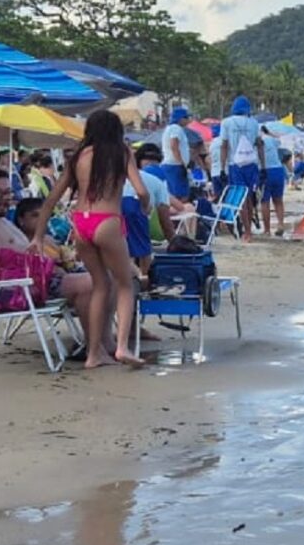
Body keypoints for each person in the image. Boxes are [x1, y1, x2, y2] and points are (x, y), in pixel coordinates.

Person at [30, 109, 150, 369]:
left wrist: (39, 236)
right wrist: (144, 207)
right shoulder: (122, 152)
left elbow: (51, 199)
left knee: (100, 285)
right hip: (107, 220)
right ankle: (121, 347)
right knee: (126, 283)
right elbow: (141, 190)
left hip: (81, 222)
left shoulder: (79, 157)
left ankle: (94, 354)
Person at [0, 168, 94, 344]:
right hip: (16, 288)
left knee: (105, 277)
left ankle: (105, 340)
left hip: (30, 281)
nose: (4, 199)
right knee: (91, 283)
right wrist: (44, 266)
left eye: (7, 193)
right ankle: (94, 345)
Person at [123, 142, 173, 276]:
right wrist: (174, 243)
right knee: (143, 251)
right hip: (135, 210)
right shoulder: (156, 182)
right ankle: (143, 280)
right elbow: (165, 220)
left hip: (105, 214)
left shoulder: (110, 177)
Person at [216, 95, 262, 242]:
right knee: (249, 197)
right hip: (251, 164)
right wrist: (264, 166)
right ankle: (249, 231)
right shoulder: (254, 123)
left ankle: (247, 231)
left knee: (241, 199)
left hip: (235, 165)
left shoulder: (227, 123)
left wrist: (222, 168)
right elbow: (260, 144)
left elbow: (224, 146)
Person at [258, 128, 289, 236]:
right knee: (278, 200)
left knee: (264, 201)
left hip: (265, 171)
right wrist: (269, 132)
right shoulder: (271, 139)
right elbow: (279, 140)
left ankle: (267, 230)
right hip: (278, 170)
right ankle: (280, 224)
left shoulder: (255, 140)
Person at [162, 105, 194, 199]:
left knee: (173, 193)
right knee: (181, 195)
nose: (188, 120)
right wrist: (181, 163)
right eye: (186, 117)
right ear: (180, 118)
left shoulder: (169, 128)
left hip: (171, 165)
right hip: (175, 165)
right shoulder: (176, 128)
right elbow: (174, 145)